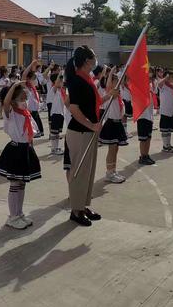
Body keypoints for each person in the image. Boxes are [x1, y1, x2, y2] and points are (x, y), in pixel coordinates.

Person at [65, 46, 114, 227]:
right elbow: (74, 109)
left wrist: (110, 95)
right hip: (80, 132)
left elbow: (95, 102)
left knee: (88, 172)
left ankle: (83, 206)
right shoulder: (77, 81)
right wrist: (91, 125)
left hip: (89, 132)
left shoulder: (87, 79)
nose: (96, 61)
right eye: (94, 58)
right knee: (79, 172)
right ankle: (75, 210)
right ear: (87, 61)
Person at [0, 82, 41, 230]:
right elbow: (6, 102)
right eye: (22, 96)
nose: (26, 98)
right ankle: (12, 216)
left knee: (22, 184)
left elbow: (29, 134)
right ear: (14, 99)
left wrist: (31, 149)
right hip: (15, 151)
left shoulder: (25, 113)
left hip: (25, 149)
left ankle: (19, 213)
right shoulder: (10, 112)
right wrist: (14, 86)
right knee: (14, 184)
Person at [99, 68, 127, 183]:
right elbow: (109, 85)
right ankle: (109, 173)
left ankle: (113, 170)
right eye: (117, 81)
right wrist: (110, 73)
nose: (119, 83)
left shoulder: (118, 95)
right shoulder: (110, 94)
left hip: (117, 123)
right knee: (112, 149)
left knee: (115, 149)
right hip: (111, 124)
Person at [158, 70, 173, 153]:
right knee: (165, 130)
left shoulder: (171, 86)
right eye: (172, 77)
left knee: (169, 130)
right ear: (167, 77)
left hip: (172, 111)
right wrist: (165, 78)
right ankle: (165, 146)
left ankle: (168, 144)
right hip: (165, 112)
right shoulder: (163, 86)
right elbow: (159, 84)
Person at [22, 62, 44, 138]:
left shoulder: (32, 87)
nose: (34, 81)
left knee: (36, 119)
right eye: (33, 79)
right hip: (30, 108)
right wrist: (30, 65)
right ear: (28, 79)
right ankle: (36, 132)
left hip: (34, 107)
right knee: (33, 120)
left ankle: (40, 131)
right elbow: (24, 75)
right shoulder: (25, 86)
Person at [49, 73, 66, 156]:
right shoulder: (53, 89)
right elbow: (56, 84)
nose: (62, 82)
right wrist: (60, 74)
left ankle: (56, 147)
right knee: (54, 132)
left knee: (57, 133)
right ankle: (53, 148)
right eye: (60, 80)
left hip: (60, 114)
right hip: (55, 113)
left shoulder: (61, 90)